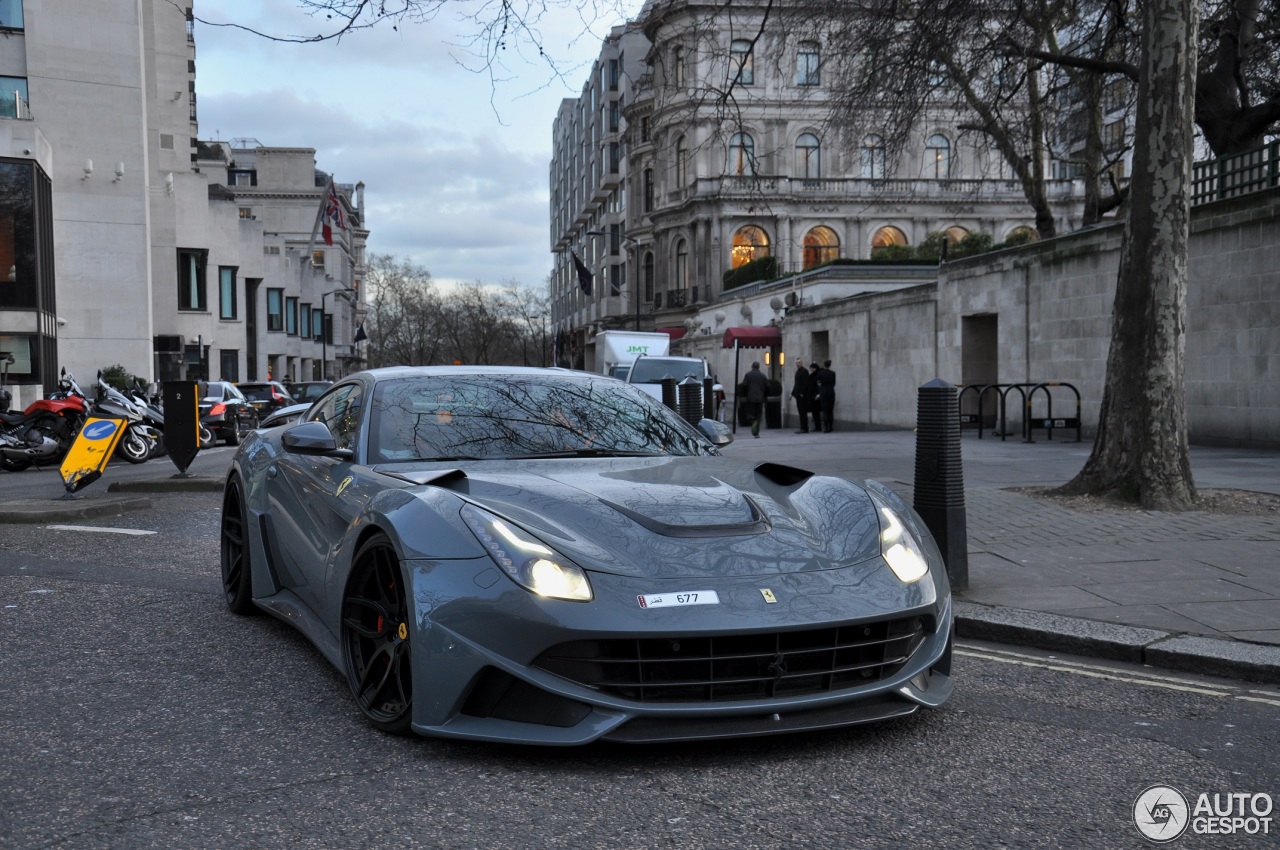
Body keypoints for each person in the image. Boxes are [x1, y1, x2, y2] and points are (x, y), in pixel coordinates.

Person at [741, 361, 769, 438]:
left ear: (752, 366)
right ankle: (756, 432)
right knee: (758, 415)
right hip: (760, 398)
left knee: (750, 414)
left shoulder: (748, 375)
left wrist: (745, 395)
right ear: (758, 367)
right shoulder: (762, 376)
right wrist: (764, 395)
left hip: (750, 398)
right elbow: (767, 386)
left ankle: (753, 421)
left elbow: (744, 385)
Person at [815, 359, 837, 432]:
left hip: (823, 392)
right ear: (830, 365)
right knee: (830, 410)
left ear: (824, 365)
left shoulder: (820, 373)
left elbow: (818, 383)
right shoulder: (833, 373)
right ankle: (830, 426)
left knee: (825, 410)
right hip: (831, 392)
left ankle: (826, 427)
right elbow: (834, 383)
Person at [790, 359, 811, 433]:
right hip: (798, 395)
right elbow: (796, 384)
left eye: (799, 362)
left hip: (802, 396)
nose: (798, 364)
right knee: (800, 412)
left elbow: (806, 383)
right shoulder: (797, 372)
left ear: (802, 363)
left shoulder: (804, 371)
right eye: (797, 363)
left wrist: (802, 393)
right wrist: (792, 394)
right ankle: (802, 427)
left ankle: (804, 427)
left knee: (803, 412)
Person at [808, 362, 823, 433]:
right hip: (812, 395)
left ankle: (818, 426)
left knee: (816, 412)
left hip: (815, 396)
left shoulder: (817, 375)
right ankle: (817, 426)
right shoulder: (813, 375)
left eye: (812, 368)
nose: (811, 369)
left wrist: (818, 394)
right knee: (814, 412)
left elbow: (818, 385)